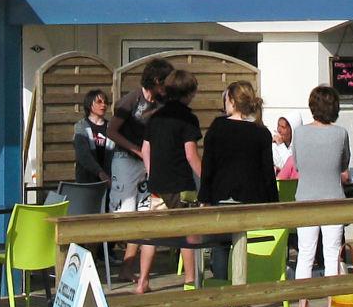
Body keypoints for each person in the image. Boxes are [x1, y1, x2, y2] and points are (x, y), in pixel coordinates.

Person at [199, 80, 277, 280]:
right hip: (253, 198)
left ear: (231, 101)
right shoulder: (262, 132)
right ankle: (245, 293)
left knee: (221, 246)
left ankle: (222, 289)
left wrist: (204, 197)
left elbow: (208, 165)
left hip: (221, 194)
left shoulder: (218, 126)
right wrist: (273, 203)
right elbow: (267, 173)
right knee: (249, 247)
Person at [135, 68, 202, 294]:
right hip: (180, 184)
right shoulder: (187, 118)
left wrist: (153, 173)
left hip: (157, 184)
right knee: (188, 233)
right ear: (189, 92)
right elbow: (191, 155)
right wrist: (207, 179)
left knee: (152, 234)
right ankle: (191, 281)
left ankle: (142, 281)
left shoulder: (155, 117)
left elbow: (145, 150)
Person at [292, 84, 352, 307]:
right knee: (331, 255)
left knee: (305, 254)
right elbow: (344, 164)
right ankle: (331, 304)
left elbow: (296, 164)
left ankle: (303, 306)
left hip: (305, 198)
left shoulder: (299, 133)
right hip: (333, 199)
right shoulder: (340, 133)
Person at [109, 58, 170, 271]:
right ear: (155, 80)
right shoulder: (131, 100)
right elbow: (111, 130)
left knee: (143, 214)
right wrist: (135, 149)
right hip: (126, 160)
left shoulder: (162, 103)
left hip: (147, 162)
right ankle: (104, 257)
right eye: (164, 82)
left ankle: (128, 270)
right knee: (123, 215)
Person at [71, 89, 114, 207]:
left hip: (109, 182)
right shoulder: (81, 127)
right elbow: (83, 155)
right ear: (90, 105)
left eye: (105, 102)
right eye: (99, 102)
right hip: (87, 181)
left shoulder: (111, 127)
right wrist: (100, 173)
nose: (103, 105)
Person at [272, 116, 297, 181]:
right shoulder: (273, 146)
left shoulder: (298, 147)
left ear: (292, 130)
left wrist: (281, 145)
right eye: (278, 126)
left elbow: (291, 166)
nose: (279, 130)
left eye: (283, 127)